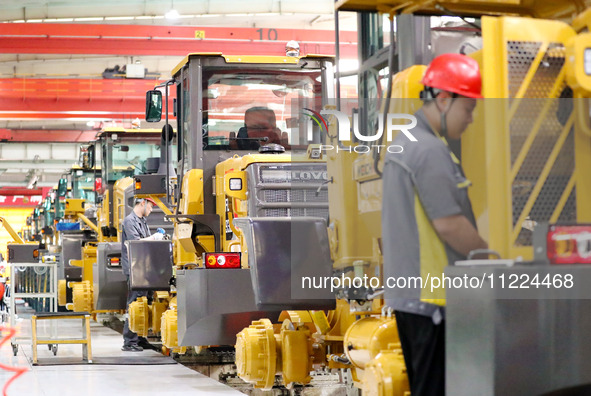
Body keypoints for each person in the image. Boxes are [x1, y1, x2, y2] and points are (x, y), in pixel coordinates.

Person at [382, 53, 488, 396]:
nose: (470, 119)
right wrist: (489, 257)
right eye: (468, 109)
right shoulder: (428, 150)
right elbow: (449, 225)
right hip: (432, 300)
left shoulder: (408, 142)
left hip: (411, 297)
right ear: (444, 99)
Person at [120, 197, 164, 352]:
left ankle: (140, 337)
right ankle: (129, 341)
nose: (152, 210)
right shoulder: (129, 221)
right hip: (135, 269)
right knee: (135, 304)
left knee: (146, 302)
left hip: (144, 269)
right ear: (142, 203)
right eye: (151, 206)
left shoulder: (142, 221)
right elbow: (136, 243)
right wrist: (154, 238)